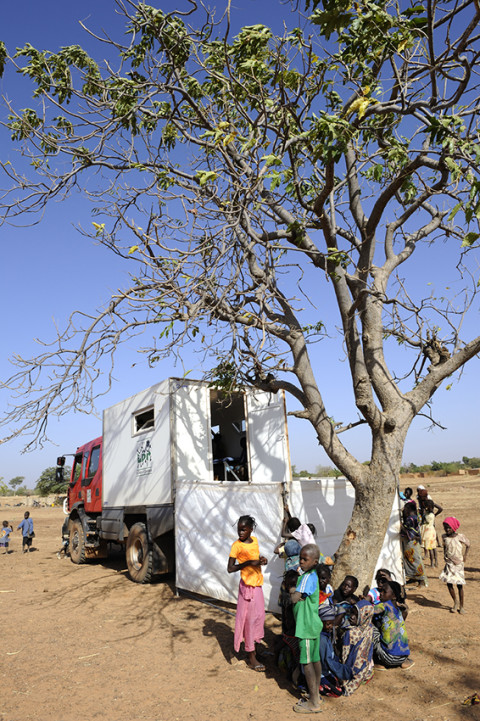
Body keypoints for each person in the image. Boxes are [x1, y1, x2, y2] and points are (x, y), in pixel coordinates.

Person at [228, 515, 268, 671]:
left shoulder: (255, 541)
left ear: (251, 529)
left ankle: (255, 649)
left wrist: (261, 560)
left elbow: (255, 557)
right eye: (239, 529)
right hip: (247, 587)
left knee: (260, 617)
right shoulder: (236, 546)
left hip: (257, 585)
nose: (240, 532)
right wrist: (248, 563)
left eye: (243, 529)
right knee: (249, 620)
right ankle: (251, 656)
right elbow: (230, 568)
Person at [290, 543, 323, 714]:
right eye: (300, 558)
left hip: (306, 627)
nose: (301, 562)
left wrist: (291, 589)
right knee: (315, 660)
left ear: (315, 562)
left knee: (308, 663)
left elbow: (295, 598)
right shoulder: (310, 576)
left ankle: (314, 702)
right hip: (312, 625)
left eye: (305, 559)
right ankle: (316, 694)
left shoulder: (309, 577)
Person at [372, 580, 413, 669]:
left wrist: (362, 602)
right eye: (380, 591)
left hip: (388, 658)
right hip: (403, 657)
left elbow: (367, 611)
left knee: (369, 627)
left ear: (394, 596)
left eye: (384, 592)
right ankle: (404, 662)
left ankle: (378, 662)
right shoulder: (399, 609)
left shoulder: (384, 605)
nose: (380, 594)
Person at [340, 600, 374, 695]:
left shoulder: (350, 633)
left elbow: (345, 656)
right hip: (364, 667)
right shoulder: (370, 628)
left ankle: (346, 686)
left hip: (351, 668)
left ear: (365, 615)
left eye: (356, 614)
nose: (352, 616)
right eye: (352, 613)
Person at [439, 516, 470, 614]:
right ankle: (455, 602)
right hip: (449, 563)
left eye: (449, 528)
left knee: (460, 585)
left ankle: (462, 606)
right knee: (449, 584)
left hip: (459, 564)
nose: (447, 530)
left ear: (453, 527)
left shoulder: (460, 536)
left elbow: (468, 545)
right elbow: (445, 547)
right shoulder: (444, 537)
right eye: (445, 528)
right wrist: (445, 555)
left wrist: (465, 556)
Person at [401, 502, 428, 586]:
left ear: (408, 510)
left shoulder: (410, 519)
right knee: (411, 560)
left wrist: (401, 525)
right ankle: (414, 578)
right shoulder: (416, 517)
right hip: (413, 543)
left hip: (411, 543)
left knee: (415, 560)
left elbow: (409, 533)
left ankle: (421, 579)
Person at [421, 500, 438, 567]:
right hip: (432, 530)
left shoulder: (427, 514)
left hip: (428, 531)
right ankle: (436, 562)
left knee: (429, 547)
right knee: (434, 547)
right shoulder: (432, 514)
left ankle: (432, 564)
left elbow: (423, 521)